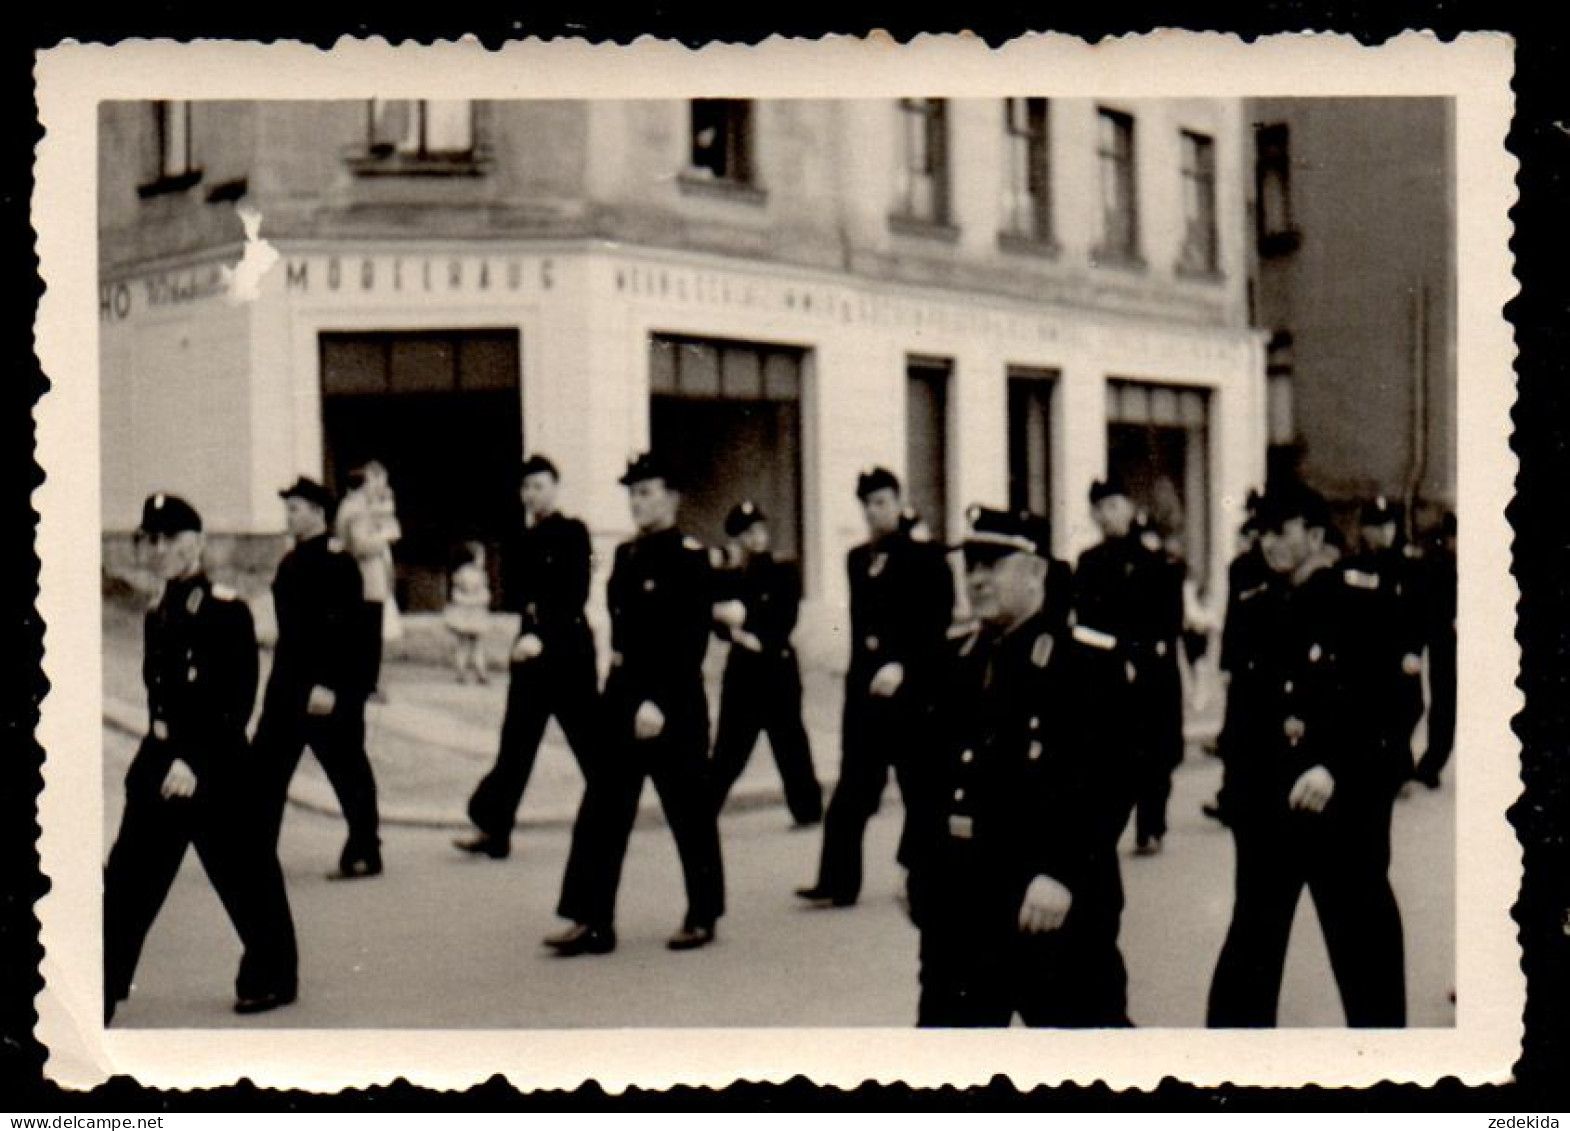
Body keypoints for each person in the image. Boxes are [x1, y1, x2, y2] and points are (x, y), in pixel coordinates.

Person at [903, 505, 1131, 1028]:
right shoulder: (955, 657)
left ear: (1035, 572)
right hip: (961, 907)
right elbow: (930, 771)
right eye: (972, 565)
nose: (977, 578)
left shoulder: (1085, 662)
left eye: (994, 563)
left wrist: (1063, 872)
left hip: (1047, 904)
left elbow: (1109, 781)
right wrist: (915, 858)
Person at [1206, 483, 1407, 1027]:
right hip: (1269, 817)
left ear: (1314, 535)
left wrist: (1335, 767)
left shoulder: (1362, 606)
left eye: (1281, 530)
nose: (1268, 543)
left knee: (1367, 961)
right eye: (1263, 531)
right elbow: (1243, 716)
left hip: (1344, 821)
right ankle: (1226, 1094)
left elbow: (1393, 712)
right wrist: (1237, 798)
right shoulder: (1255, 608)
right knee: (1246, 963)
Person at [105, 494, 298, 1023]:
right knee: (128, 877)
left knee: (245, 875)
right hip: (162, 760)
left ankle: (273, 971)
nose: (159, 549)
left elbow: (235, 700)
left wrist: (193, 763)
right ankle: (102, 983)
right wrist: (165, 757)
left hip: (216, 767)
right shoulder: (158, 611)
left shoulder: (226, 610)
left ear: (197, 543)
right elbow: (160, 696)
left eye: (170, 539)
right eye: (151, 540)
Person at [544, 452, 724, 954]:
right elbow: (623, 637)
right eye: (632, 493)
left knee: (689, 813)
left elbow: (690, 641)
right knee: (602, 808)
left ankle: (703, 912)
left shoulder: (691, 558)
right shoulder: (626, 555)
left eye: (647, 492)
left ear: (672, 497)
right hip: (623, 699)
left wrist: (659, 703)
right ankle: (591, 919)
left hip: (672, 705)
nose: (637, 502)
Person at [796, 467, 954, 908]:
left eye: (882, 501)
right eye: (867, 503)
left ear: (899, 501)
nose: (873, 511)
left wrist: (905, 666)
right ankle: (837, 881)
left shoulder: (925, 557)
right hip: (866, 694)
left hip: (909, 692)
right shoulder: (856, 559)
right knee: (852, 789)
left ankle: (925, 872)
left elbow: (935, 625)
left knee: (920, 789)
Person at [455, 455, 599, 860]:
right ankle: (494, 829)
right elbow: (513, 593)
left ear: (555, 487)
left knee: (589, 741)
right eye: (526, 487)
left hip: (568, 649)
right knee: (516, 742)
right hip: (530, 650)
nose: (532, 494)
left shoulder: (575, 534)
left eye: (539, 485)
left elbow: (576, 593)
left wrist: (542, 633)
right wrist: (531, 632)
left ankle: (612, 816)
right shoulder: (520, 538)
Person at [254, 477, 383, 880]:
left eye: (295, 508)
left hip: (324, 691)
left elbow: (345, 630)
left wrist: (330, 686)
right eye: (288, 507)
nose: (288, 515)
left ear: (317, 513)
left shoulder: (336, 561)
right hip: (288, 687)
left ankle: (365, 848)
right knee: (264, 771)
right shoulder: (293, 560)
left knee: (347, 770)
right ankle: (254, 852)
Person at [709, 501, 823, 827]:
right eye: (745, 533)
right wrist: (733, 630)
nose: (754, 539)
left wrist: (745, 623)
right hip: (743, 671)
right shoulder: (730, 575)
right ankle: (703, 809)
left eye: (758, 530)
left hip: (776, 668)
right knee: (729, 748)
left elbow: (784, 617)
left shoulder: (781, 570)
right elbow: (714, 619)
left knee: (790, 743)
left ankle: (807, 810)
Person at [1068, 476, 1148, 854]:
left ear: (1129, 509)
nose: (1108, 515)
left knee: (1149, 749)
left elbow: (1159, 616)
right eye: (1101, 508)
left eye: (1115, 506)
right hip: (1099, 665)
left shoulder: (1149, 559)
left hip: (1143, 664)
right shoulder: (1088, 561)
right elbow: (1083, 618)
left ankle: (1151, 822)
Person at [1342, 496, 1427, 785]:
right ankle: (1390, 765)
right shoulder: (1353, 566)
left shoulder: (1408, 566)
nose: (1384, 533)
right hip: (1368, 653)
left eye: (1388, 525)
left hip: (1400, 654)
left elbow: (1418, 612)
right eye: (1377, 526)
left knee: (1409, 707)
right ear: (1365, 530)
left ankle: (1398, 760)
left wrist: (1414, 649)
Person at [335, 460, 401, 703]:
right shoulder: (357, 509)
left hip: (365, 580)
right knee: (368, 636)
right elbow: (361, 546)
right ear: (363, 485)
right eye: (372, 482)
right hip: (366, 580)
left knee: (366, 635)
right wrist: (384, 537)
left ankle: (365, 683)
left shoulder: (350, 506)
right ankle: (366, 685)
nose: (377, 487)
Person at [1412, 511, 1457, 788]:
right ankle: (1431, 763)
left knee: (1445, 701)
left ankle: (1433, 762)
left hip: (1450, 636)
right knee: (1442, 700)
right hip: (1441, 636)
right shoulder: (1437, 563)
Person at [444, 541, 492, 685]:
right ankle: (479, 672)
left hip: (464, 612)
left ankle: (462, 672)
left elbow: (456, 593)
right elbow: (482, 592)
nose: (483, 560)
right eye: (481, 556)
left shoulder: (459, 574)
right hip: (474, 612)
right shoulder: (479, 575)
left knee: (463, 644)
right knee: (476, 644)